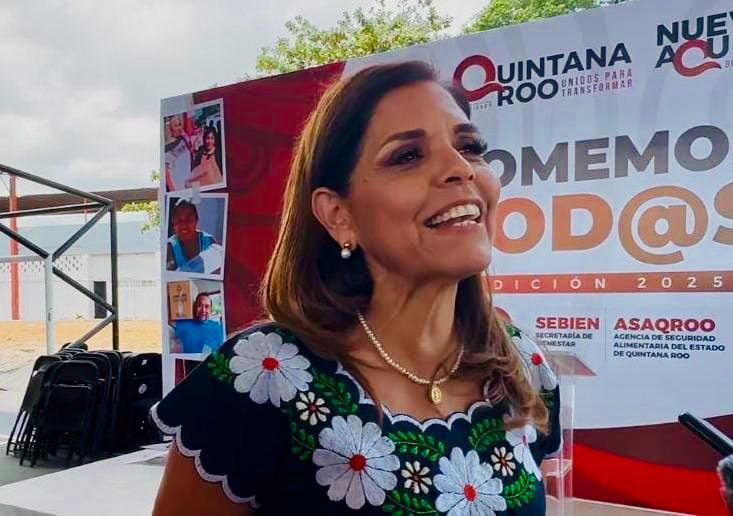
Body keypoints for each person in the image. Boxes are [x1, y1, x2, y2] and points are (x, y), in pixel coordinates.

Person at [152, 61, 560, 515]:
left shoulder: (522, 366)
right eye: (408, 156)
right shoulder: (261, 377)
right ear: (338, 215)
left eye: (470, 146)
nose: (460, 168)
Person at [166, 199, 221, 274]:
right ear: (173, 221)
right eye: (179, 220)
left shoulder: (209, 241)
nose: (184, 225)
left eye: (188, 220)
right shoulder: (169, 246)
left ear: (196, 220)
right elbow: (170, 277)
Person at [165, 115, 193, 192]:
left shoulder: (184, 138)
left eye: (179, 124)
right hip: (178, 184)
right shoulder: (167, 147)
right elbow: (166, 172)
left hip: (189, 179)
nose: (179, 128)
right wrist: (173, 190)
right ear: (171, 128)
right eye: (176, 126)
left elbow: (191, 148)